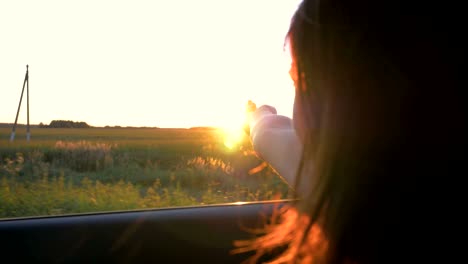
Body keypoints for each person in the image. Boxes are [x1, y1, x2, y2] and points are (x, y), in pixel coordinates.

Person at [234, 0, 464, 263]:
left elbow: (275, 139)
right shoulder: (418, 183)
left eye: (301, 82)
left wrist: (258, 119)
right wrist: (260, 119)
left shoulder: (356, 201)